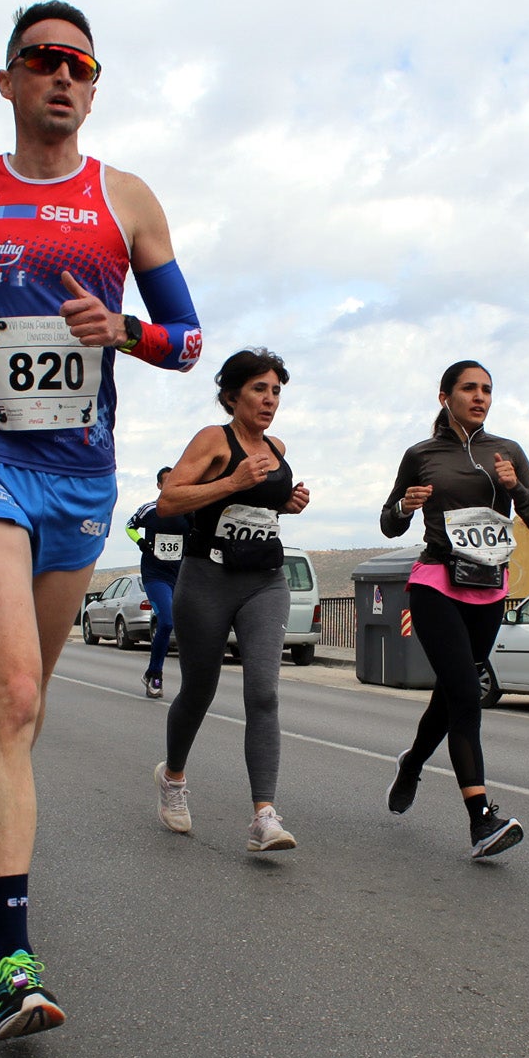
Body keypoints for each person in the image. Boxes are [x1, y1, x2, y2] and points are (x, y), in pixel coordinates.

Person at [0, 0, 202, 1039]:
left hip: (79, 479)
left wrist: (124, 329)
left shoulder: (125, 200)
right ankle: (14, 960)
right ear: (8, 80)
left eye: (79, 63)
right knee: (12, 688)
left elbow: (189, 338)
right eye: (41, 60)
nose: (62, 76)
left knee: (26, 711)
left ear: (92, 82)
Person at [378, 361, 529, 858]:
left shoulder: (508, 452)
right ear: (444, 396)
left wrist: (515, 486)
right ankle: (481, 819)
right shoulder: (421, 454)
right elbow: (390, 524)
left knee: (452, 695)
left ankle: (412, 764)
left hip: (489, 588)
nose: (480, 397)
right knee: (466, 695)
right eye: (469, 389)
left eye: (487, 390)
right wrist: (406, 507)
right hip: (435, 583)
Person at [154, 349, 309, 853]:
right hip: (206, 580)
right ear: (232, 395)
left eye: (276, 391)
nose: (270, 400)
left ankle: (264, 814)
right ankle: (173, 778)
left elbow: (261, 504)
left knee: (263, 693)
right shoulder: (212, 440)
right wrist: (232, 481)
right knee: (199, 691)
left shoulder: (277, 446)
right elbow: (169, 500)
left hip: (265, 580)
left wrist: (287, 501)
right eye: (260, 390)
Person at [124, 466, 189, 697]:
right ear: (159, 486)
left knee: (193, 628)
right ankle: (155, 674)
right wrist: (141, 542)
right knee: (167, 622)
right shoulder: (150, 510)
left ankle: (193, 684)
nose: (173, 485)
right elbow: (129, 527)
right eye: (167, 482)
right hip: (156, 575)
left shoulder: (188, 511)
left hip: (181, 576)